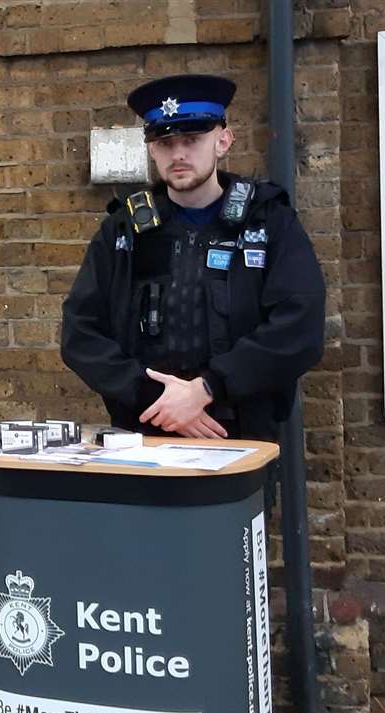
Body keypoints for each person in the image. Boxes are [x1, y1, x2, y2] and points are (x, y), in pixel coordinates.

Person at [61, 74, 325, 441]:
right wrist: (157, 400)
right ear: (152, 149)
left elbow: (300, 326)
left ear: (223, 140)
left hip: (239, 435)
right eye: (165, 142)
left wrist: (208, 388)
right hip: (144, 431)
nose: (179, 154)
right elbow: (80, 332)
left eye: (192, 139)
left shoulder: (267, 221)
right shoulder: (123, 230)